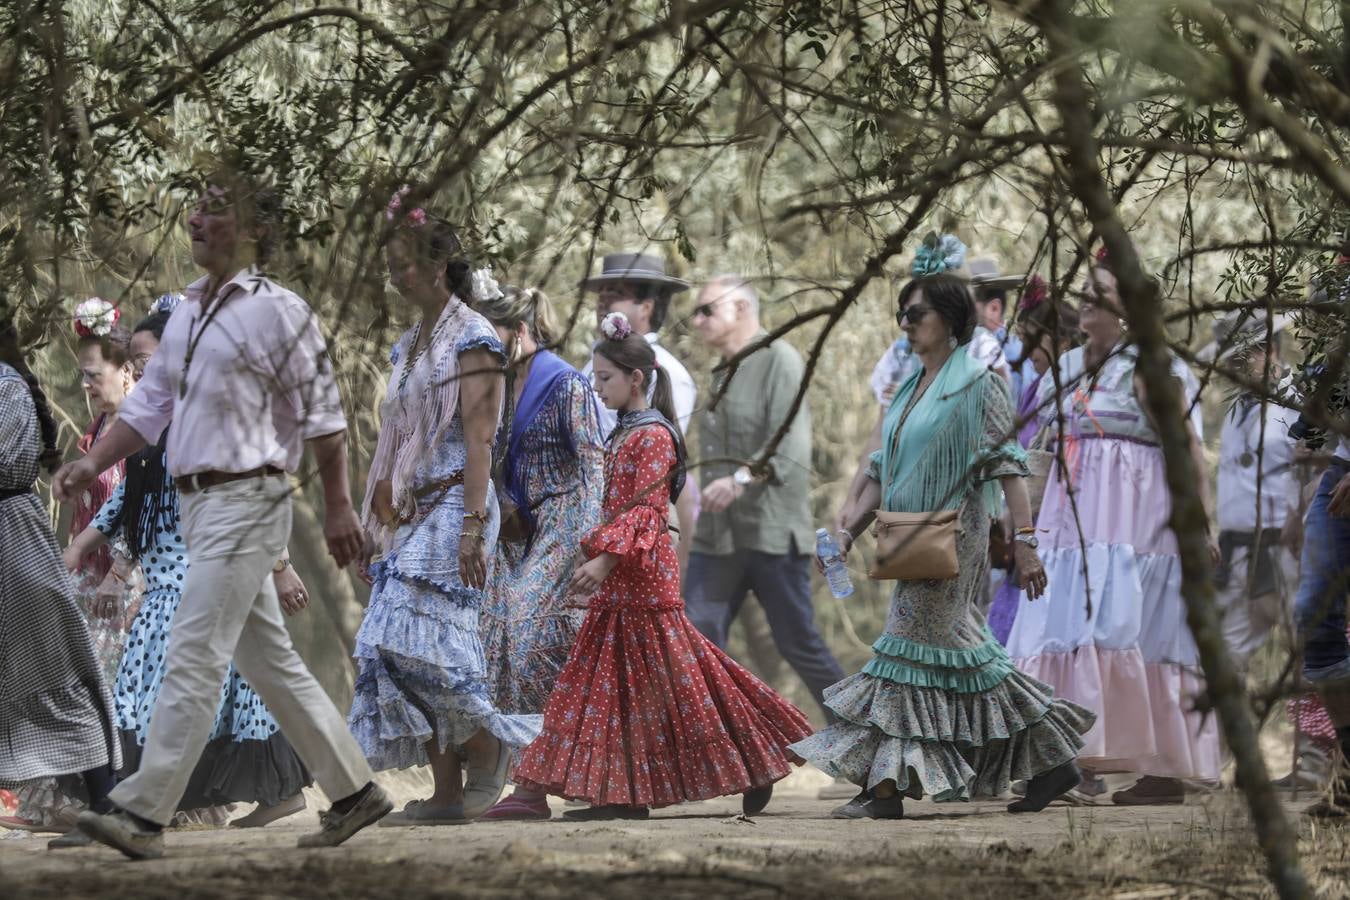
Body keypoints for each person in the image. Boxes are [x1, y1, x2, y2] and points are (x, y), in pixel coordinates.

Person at [52, 170, 390, 859]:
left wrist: (335, 508)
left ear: (253, 232)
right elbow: (149, 410)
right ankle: (356, 791)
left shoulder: (280, 312)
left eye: (214, 213)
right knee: (267, 659)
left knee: (195, 649)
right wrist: (92, 461)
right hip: (197, 502)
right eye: (196, 212)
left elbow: (324, 420)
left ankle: (142, 814)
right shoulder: (189, 313)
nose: (195, 224)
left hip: (251, 496)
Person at [789, 273, 1093, 819]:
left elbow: (1009, 467)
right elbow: (882, 468)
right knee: (958, 655)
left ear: (951, 320)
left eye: (917, 313)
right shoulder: (910, 387)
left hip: (954, 533)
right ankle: (1051, 763)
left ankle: (886, 789)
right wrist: (846, 532)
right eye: (901, 314)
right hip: (907, 532)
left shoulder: (979, 384)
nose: (906, 323)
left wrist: (1025, 543)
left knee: (903, 648)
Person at [511, 312, 813, 820]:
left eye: (604, 377)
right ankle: (623, 793)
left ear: (635, 380)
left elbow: (648, 511)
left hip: (641, 575)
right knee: (623, 682)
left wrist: (606, 560)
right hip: (623, 574)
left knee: (682, 675)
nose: (595, 386)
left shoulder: (652, 435)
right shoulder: (626, 431)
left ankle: (759, 756)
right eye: (594, 376)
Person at [61, 299, 312, 832]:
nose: (138, 371)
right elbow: (137, 498)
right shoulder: (155, 421)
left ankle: (137, 809)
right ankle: (139, 807)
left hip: (204, 572)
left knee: (162, 692)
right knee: (177, 690)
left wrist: (281, 564)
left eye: (147, 360)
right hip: (172, 576)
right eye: (135, 362)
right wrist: (95, 553)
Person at [1005, 252, 1222, 806]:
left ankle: (1162, 769)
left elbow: (1189, 449)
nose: (1083, 300)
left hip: (1137, 520)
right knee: (1059, 625)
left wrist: (1202, 523)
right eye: (1085, 290)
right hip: (1071, 516)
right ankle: (1057, 758)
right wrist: (1022, 524)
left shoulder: (1151, 366)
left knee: (1131, 628)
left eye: (1098, 293)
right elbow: (1045, 448)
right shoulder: (1071, 363)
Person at [350, 193, 539, 826]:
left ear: (439, 265)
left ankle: (489, 749)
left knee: (429, 645)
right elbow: (399, 435)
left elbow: (481, 436)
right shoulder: (407, 344)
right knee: (392, 647)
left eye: (406, 263)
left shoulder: (474, 337)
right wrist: (380, 504)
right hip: (414, 508)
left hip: (462, 502)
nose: (397, 276)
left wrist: (471, 525)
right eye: (392, 265)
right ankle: (449, 787)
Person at [682, 275, 846, 720]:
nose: (697, 321)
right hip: (719, 540)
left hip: (772, 535)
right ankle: (741, 749)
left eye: (706, 310)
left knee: (798, 642)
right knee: (696, 634)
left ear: (741, 309)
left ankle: (862, 744)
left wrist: (739, 479)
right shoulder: (719, 373)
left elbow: (789, 444)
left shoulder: (781, 360)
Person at [8, 299, 139, 835]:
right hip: (85, 582)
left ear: (126, 372)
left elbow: (138, 503)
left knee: (94, 687)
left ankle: (115, 804)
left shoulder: (136, 434)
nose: (86, 384)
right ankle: (68, 804)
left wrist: (119, 574)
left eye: (94, 374)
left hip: (125, 582)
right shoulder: (93, 436)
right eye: (81, 375)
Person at [475, 286, 605, 821]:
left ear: (520, 331)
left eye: (493, 336)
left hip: (567, 517)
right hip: (521, 525)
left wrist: (593, 544)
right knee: (505, 635)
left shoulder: (566, 383)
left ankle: (550, 775)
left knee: (526, 628)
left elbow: (593, 462)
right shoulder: (503, 386)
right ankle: (545, 775)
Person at [579, 252, 697, 570]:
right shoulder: (593, 363)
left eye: (616, 294)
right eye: (601, 295)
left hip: (632, 524)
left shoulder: (666, 371)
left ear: (646, 307)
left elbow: (655, 470)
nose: (603, 302)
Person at [986, 277, 1080, 645]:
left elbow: (1040, 458)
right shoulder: (1035, 387)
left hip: (1047, 527)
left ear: (1063, 340)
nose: (1026, 349)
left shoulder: (1065, 387)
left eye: (1033, 339)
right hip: (1024, 527)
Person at [1210, 315, 1300, 674]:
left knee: (1310, 655)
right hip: (1236, 554)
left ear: (1271, 350)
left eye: (1243, 356)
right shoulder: (1235, 410)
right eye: (1230, 358)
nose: (1236, 366)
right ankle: (1225, 732)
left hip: (1286, 552)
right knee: (1221, 661)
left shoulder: (1301, 401)